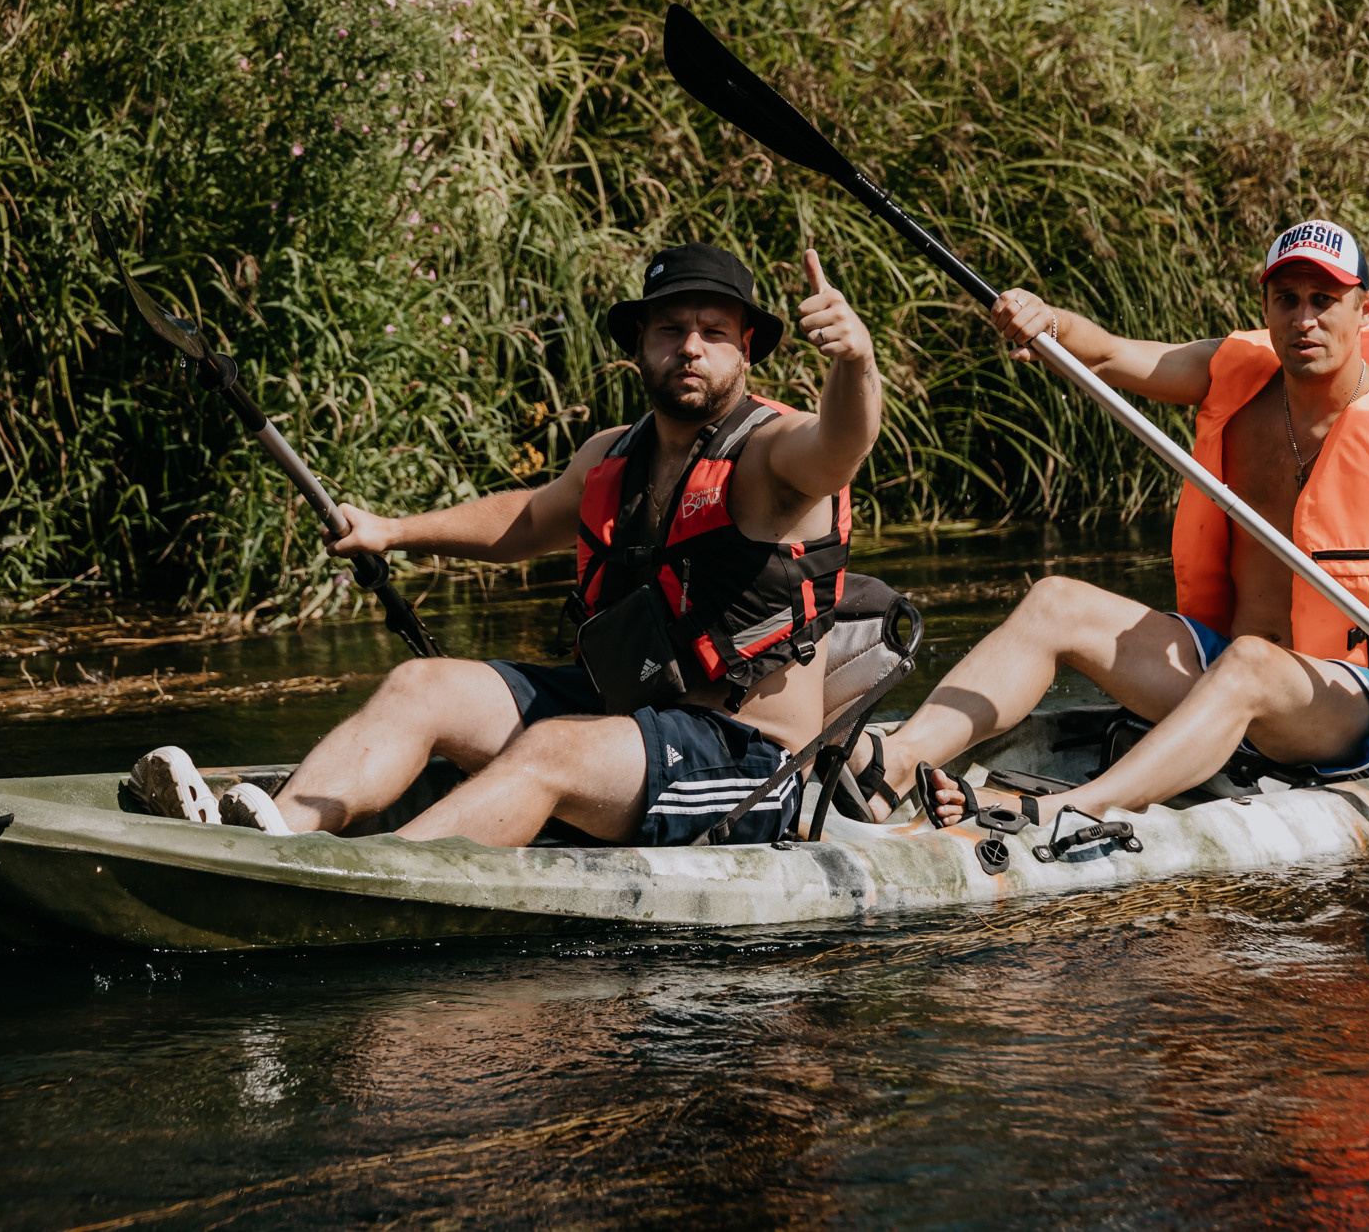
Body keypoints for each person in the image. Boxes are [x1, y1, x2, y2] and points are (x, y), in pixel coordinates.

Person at [130, 242, 883, 847]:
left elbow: (842, 444)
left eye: (713, 332)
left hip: (742, 757)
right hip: (615, 714)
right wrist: (393, 530)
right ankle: (275, 835)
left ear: (745, 347)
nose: (690, 347)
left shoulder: (774, 457)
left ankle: (383, 880)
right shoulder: (613, 454)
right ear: (639, 347)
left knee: (550, 748)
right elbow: (523, 518)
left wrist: (855, 360)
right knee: (422, 684)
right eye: (669, 330)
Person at [850, 218, 1369, 826]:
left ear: (1366, 308)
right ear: (1266, 306)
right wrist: (1047, 320)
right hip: (1233, 672)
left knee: (1250, 665)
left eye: (1325, 300)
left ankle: (1060, 810)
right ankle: (894, 763)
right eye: (1286, 299)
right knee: (1055, 601)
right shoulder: (1232, 375)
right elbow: (1111, 354)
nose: (1304, 319)